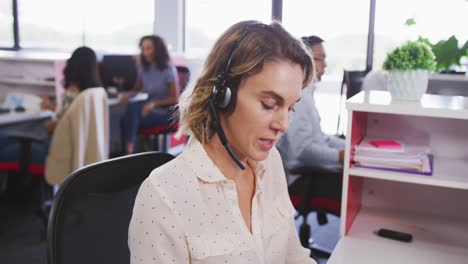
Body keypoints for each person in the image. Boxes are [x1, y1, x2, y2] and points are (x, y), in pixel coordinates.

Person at [128, 20, 316, 263]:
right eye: (269, 105)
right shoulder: (164, 196)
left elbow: (293, 256)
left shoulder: (271, 164)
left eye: (290, 108)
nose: (283, 125)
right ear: (222, 95)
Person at [0, 47, 101, 168]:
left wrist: (48, 121)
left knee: (3, 137)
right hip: (69, 151)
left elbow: (54, 127)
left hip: (52, 152)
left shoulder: (73, 91)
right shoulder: (94, 93)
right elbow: (67, 119)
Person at [277, 35, 345, 179]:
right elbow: (302, 150)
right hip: (304, 177)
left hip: (317, 169)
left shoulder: (308, 93)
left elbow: (320, 138)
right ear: (303, 62)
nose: (325, 65)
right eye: (319, 59)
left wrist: (348, 146)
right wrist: (339, 156)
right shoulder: (299, 98)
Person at [120, 35, 179, 154]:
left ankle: (128, 153)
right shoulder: (143, 68)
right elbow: (136, 89)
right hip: (148, 111)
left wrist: (153, 104)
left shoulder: (168, 70)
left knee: (128, 117)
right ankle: (130, 152)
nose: (145, 52)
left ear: (158, 49)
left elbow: (175, 99)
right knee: (127, 116)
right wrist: (128, 95)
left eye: (149, 48)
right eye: (143, 49)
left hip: (165, 113)